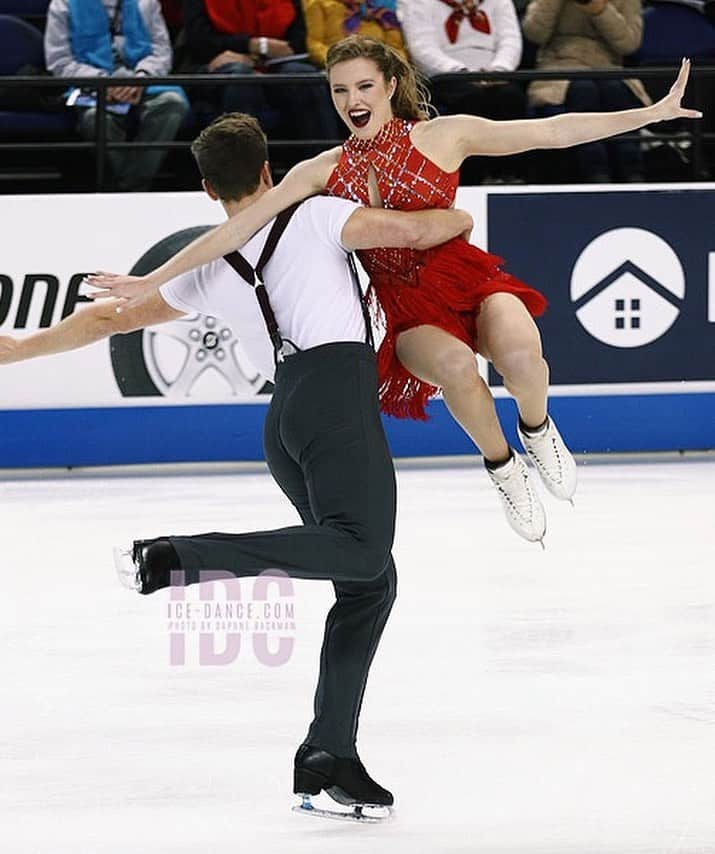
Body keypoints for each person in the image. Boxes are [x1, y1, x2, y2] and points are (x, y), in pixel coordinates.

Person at [0, 112, 471, 819]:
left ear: (206, 189)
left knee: (369, 583)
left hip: (284, 419)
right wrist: (456, 213)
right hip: (335, 401)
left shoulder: (210, 259)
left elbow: (110, 320)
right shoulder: (314, 215)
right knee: (362, 547)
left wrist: (20, 350)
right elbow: (409, 230)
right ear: (266, 171)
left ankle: (327, 754)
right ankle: (176, 557)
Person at [84, 38, 701, 544]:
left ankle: (538, 431)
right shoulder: (320, 172)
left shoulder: (444, 136)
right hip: (408, 313)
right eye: (339, 90)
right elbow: (239, 227)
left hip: (471, 279)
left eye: (363, 87)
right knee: (459, 367)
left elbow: (549, 132)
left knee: (521, 355)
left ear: (389, 86)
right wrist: (152, 278)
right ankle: (503, 467)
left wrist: (647, 114)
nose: (352, 100)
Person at [44, 0, 189, 192]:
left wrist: (141, 78)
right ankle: (131, 188)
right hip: (92, 86)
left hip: (143, 83)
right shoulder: (63, 5)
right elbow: (59, 62)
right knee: (94, 118)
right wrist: (103, 82)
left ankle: (127, 188)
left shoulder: (147, 3)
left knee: (172, 103)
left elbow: (162, 53)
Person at [397, 0, 527, 182]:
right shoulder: (417, 2)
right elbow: (421, 48)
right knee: (471, 101)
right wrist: (461, 72)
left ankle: (508, 175)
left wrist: (498, 69)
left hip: (494, 72)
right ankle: (470, 179)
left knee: (511, 98)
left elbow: (510, 40)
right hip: (446, 74)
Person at [521, 0, 650, 182]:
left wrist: (600, 10)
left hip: (608, 65)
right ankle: (596, 173)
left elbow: (629, 43)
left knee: (614, 89)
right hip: (560, 64)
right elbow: (534, 33)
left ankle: (633, 173)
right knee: (583, 89)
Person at [183, 0, 338, 139]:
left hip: (272, 65)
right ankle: (243, 167)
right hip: (218, 66)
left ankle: (327, 164)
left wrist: (256, 55)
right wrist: (251, 45)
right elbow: (199, 40)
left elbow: (296, 43)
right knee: (242, 76)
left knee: (303, 75)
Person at [303, 0, 407, 68]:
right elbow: (315, 44)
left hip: (379, 67)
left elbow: (396, 48)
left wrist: (389, 64)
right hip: (340, 66)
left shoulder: (380, 7)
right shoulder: (319, 3)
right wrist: (339, 62)